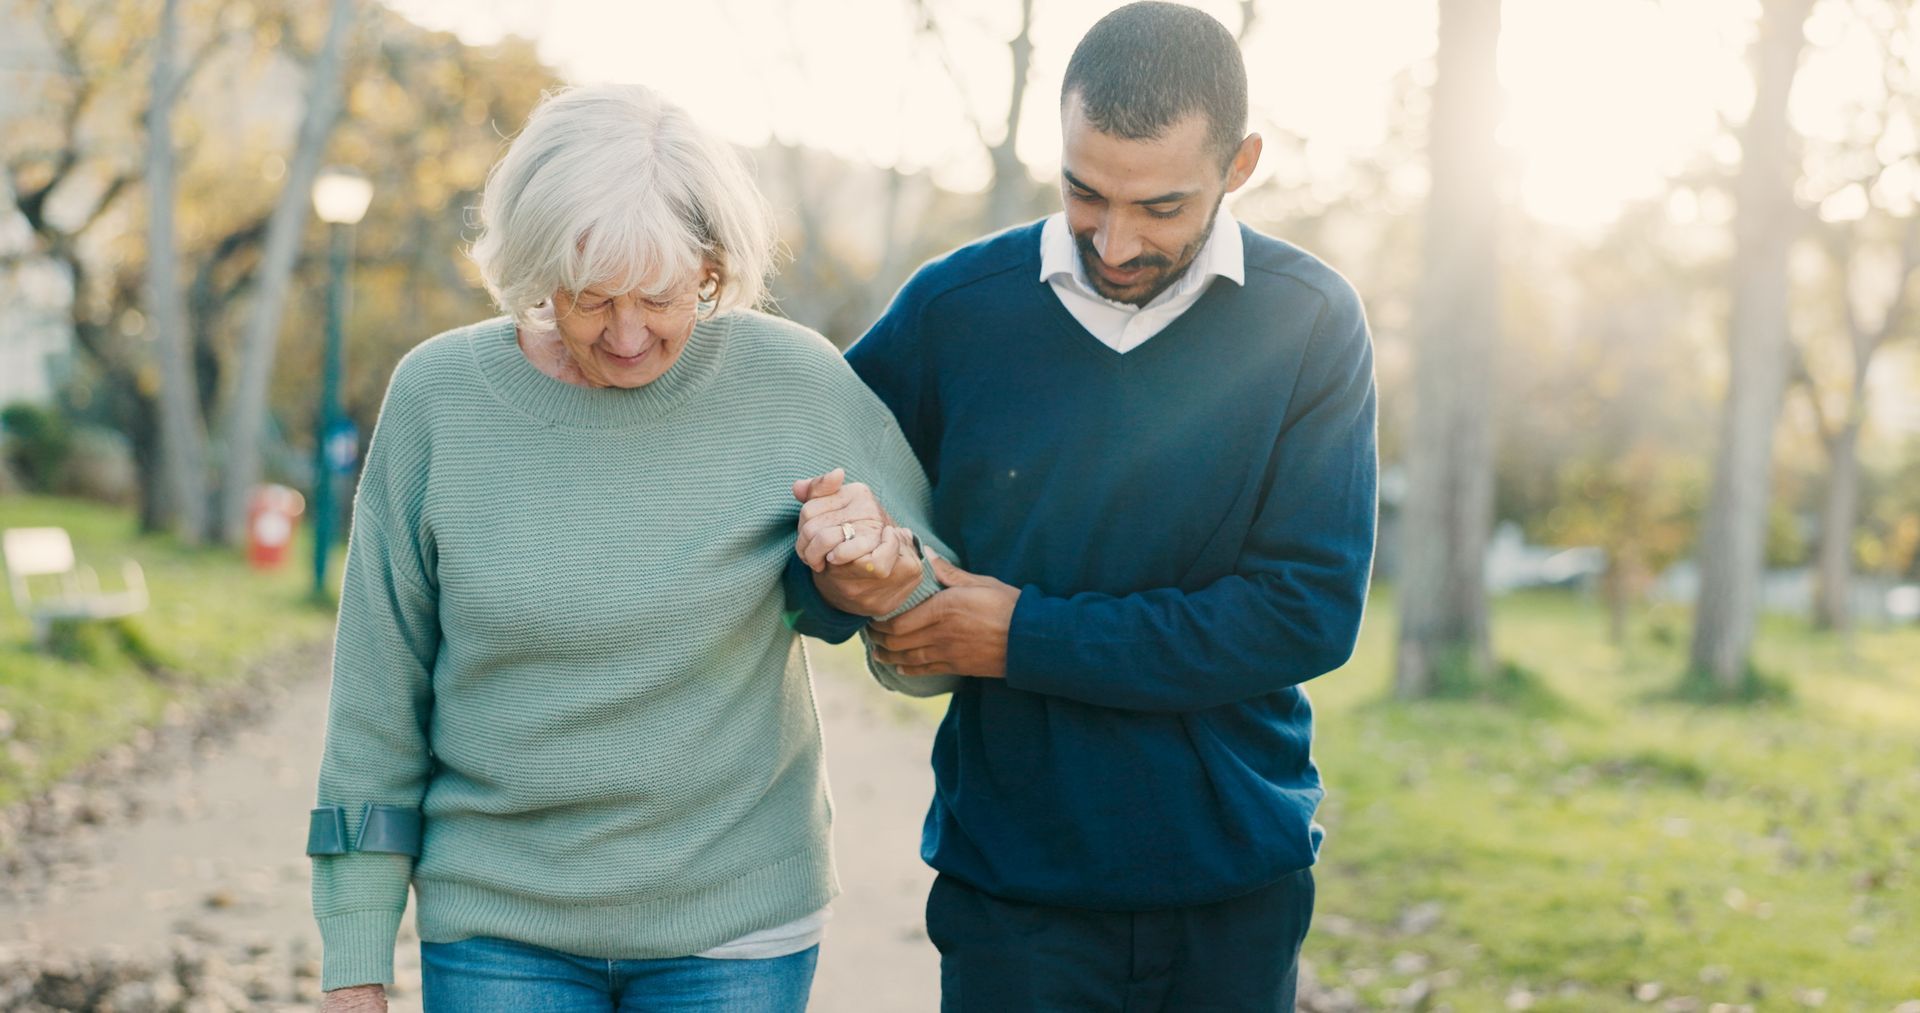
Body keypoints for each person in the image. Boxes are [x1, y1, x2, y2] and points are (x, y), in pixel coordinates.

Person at [307, 83, 948, 1013]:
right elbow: (376, 696)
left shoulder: (793, 381)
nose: (628, 334)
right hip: (499, 925)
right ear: (532, 270)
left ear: (714, 266)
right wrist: (356, 957)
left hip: (734, 927)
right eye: (590, 299)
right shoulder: (438, 400)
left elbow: (937, 643)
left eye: (661, 295)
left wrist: (884, 581)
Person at [792, 4, 1379, 1009]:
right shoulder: (954, 308)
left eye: (1160, 206)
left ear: (1240, 165)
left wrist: (1024, 635)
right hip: (1014, 888)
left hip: (1233, 877)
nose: (1114, 239)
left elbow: (1305, 612)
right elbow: (812, 532)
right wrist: (852, 577)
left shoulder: (1311, 322)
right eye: (1084, 191)